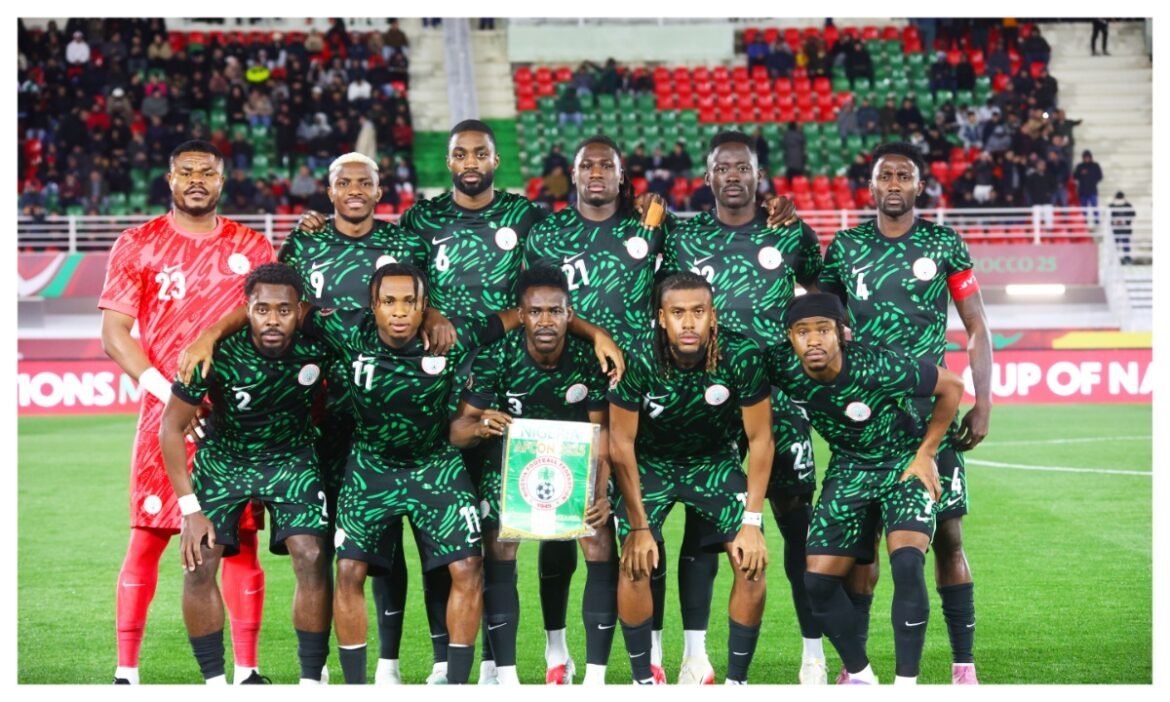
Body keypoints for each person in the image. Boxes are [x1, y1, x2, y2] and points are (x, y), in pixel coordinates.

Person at [99, 140, 274, 685]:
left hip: (235, 422)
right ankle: (126, 673)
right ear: (170, 179)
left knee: (239, 544)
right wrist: (169, 394)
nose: (197, 180)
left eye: (208, 172)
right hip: (164, 417)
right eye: (186, 171)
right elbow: (114, 335)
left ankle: (246, 672)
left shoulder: (253, 245)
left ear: (223, 181)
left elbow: (273, 320)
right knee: (147, 538)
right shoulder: (137, 243)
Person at [819, 142, 992, 685]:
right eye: (885, 176)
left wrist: (984, 401)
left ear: (919, 185)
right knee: (863, 549)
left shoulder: (944, 244)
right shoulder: (845, 247)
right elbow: (822, 319)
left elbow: (977, 325)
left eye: (904, 176)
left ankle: (963, 664)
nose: (894, 184)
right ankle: (857, 668)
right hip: (865, 422)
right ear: (870, 186)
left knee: (948, 539)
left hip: (929, 416)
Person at [277, 152, 452, 685]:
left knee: (399, 544)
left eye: (365, 182)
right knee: (333, 548)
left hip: (394, 412)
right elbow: (277, 302)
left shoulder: (404, 243)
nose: (354, 190)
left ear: (380, 191)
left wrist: (435, 312)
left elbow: (429, 303)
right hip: (321, 414)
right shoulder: (304, 242)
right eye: (344, 182)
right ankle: (318, 669)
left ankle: (391, 665)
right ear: (329, 191)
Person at [661, 130, 827, 685]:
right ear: (707, 177)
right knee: (703, 533)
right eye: (723, 168)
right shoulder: (682, 237)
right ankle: (695, 656)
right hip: (704, 408)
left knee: (797, 528)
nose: (733, 176)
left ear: (759, 175)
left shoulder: (790, 231)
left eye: (743, 167)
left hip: (779, 404)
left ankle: (813, 655)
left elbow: (823, 296)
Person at [765, 293, 967, 685]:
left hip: (902, 463)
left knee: (907, 563)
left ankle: (905, 685)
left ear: (841, 333)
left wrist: (926, 453)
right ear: (790, 337)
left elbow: (953, 386)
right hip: (850, 468)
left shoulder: (877, 365)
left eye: (823, 330)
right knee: (817, 583)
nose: (813, 340)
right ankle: (861, 676)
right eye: (802, 332)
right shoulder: (781, 365)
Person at [160, 263, 331, 685]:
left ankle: (311, 681)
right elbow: (170, 428)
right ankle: (216, 684)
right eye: (262, 309)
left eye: (284, 310)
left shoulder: (320, 345)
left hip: (291, 457)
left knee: (312, 555)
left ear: (300, 310)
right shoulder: (213, 353)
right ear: (247, 309)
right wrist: (190, 510)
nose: (273, 320)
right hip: (226, 459)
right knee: (199, 561)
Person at [449, 265, 615, 686]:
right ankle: (506, 677)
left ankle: (595, 679)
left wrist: (600, 494)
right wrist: (481, 425)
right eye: (536, 311)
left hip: (573, 464)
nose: (545, 320)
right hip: (510, 465)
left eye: (555, 311)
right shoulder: (498, 355)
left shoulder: (587, 358)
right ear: (521, 315)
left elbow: (602, 434)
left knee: (598, 538)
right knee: (500, 544)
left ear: (569, 314)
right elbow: (458, 430)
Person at [609, 272, 773, 685]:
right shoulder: (638, 355)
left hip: (713, 462)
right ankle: (643, 680)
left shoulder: (742, 355)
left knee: (751, 563)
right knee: (634, 562)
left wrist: (752, 523)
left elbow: (761, 439)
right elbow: (621, 442)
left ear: (712, 316)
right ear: (661, 318)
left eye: (698, 312)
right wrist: (638, 527)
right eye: (677, 312)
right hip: (650, 462)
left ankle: (737, 682)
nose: (688, 323)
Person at [1073, 149, 1105, 225]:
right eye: (1085, 157)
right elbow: (1074, 176)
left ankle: (1097, 221)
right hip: (1083, 191)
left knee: (1095, 206)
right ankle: (1084, 221)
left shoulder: (1095, 165)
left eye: (1088, 157)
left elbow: (1100, 176)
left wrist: (1093, 180)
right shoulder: (1080, 166)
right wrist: (1081, 173)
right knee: (1084, 208)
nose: (1086, 159)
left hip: (1092, 190)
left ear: (1091, 157)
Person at [1109, 191, 1135, 264]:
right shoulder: (1111, 206)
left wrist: (1125, 221)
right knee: (1116, 245)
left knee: (1125, 245)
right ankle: (1115, 259)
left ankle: (1127, 259)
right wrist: (1114, 221)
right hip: (1116, 229)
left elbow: (1132, 214)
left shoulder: (1128, 205)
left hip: (1125, 229)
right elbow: (1108, 217)